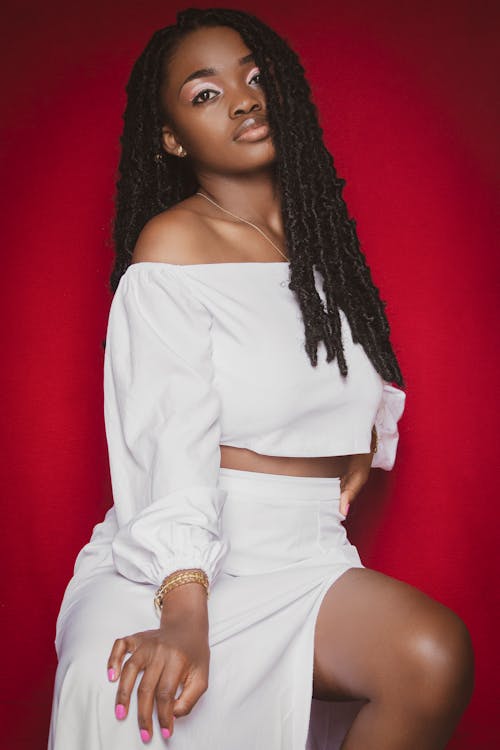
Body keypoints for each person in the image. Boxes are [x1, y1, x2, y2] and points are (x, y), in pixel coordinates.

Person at [48, 7, 474, 749]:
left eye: (253, 77)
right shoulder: (173, 243)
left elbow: (349, 382)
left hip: (304, 551)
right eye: (205, 93)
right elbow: (168, 431)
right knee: (140, 698)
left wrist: (352, 454)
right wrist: (183, 610)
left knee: (431, 656)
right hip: (182, 556)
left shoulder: (321, 250)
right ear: (173, 138)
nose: (244, 98)